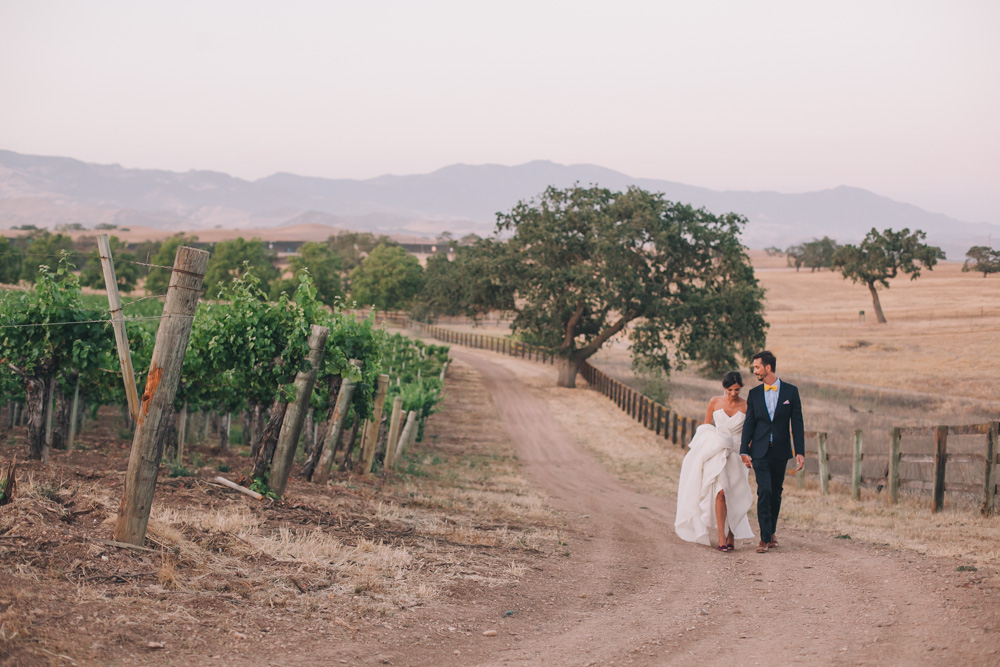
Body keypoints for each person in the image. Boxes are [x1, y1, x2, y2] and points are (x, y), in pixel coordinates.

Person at [674, 371, 755, 551]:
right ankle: (720, 537)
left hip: (736, 453)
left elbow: (750, 433)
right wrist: (705, 448)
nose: (733, 393)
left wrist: (748, 453)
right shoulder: (714, 402)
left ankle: (731, 535)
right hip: (717, 452)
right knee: (720, 493)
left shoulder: (747, 405)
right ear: (724, 388)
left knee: (735, 494)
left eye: (737, 389)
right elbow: (706, 427)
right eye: (730, 390)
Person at [739, 350, 805, 554]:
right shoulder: (754, 394)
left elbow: (797, 423)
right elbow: (749, 422)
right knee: (764, 491)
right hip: (758, 450)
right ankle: (764, 538)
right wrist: (744, 450)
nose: (754, 371)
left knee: (776, 493)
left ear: (768, 368)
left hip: (780, 450)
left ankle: (771, 532)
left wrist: (800, 451)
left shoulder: (790, 392)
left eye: (757, 367)